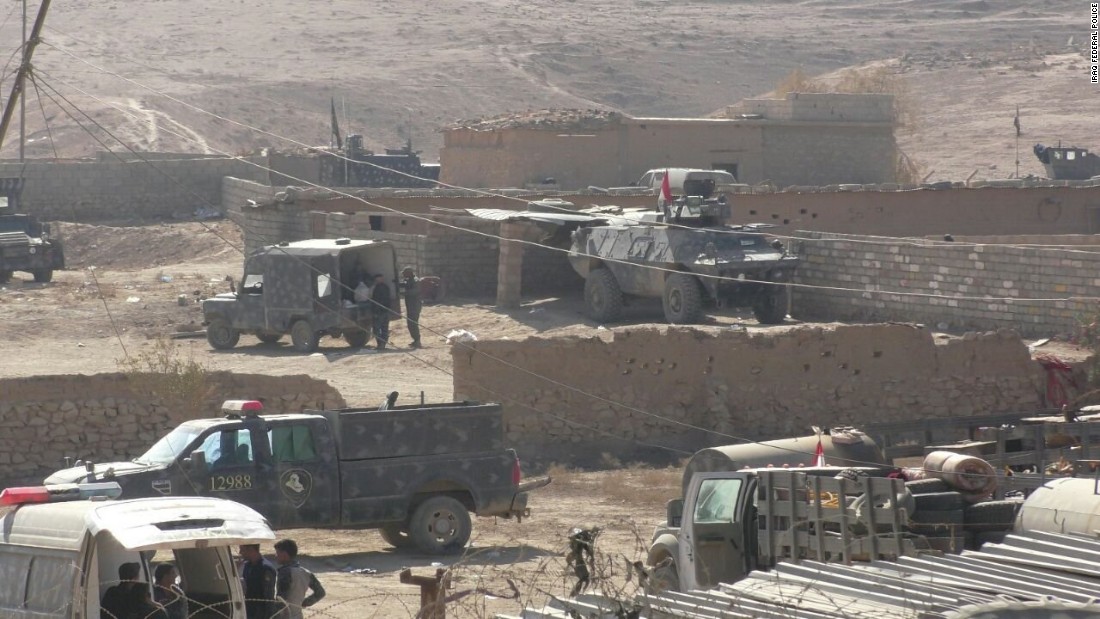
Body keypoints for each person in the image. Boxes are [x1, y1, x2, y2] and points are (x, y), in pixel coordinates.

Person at [273, 539, 326, 619]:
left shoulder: (285, 573)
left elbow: (282, 600)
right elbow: (320, 592)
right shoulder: (306, 573)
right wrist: (303, 603)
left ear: (284, 554)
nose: (276, 556)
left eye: (277, 553)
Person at [239, 544, 277, 619]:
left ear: (251, 549)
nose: (240, 552)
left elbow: (268, 596)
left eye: (242, 549)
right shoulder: (247, 565)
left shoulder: (266, 568)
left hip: (261, 612)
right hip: (249, 609)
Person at [400, 267, 422, 348]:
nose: (404, 275)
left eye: (405, 273)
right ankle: (415, 340)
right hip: (410, 306)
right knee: (410, 324)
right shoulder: (409, 280)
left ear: (409, 273)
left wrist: (403, 293)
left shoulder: (416, 281)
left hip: (415, 306)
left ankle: (417, 341)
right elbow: (405, 284)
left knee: (413, 323)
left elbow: (414, 291)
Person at [370, 273, 392, 351]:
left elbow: (376, 301)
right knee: (384, 328)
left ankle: (380, 344)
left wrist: (375, 312)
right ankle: (383, 344)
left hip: (379, 312)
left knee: (376, 328)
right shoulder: (386, 287)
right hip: (386, 310)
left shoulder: (377, 288)